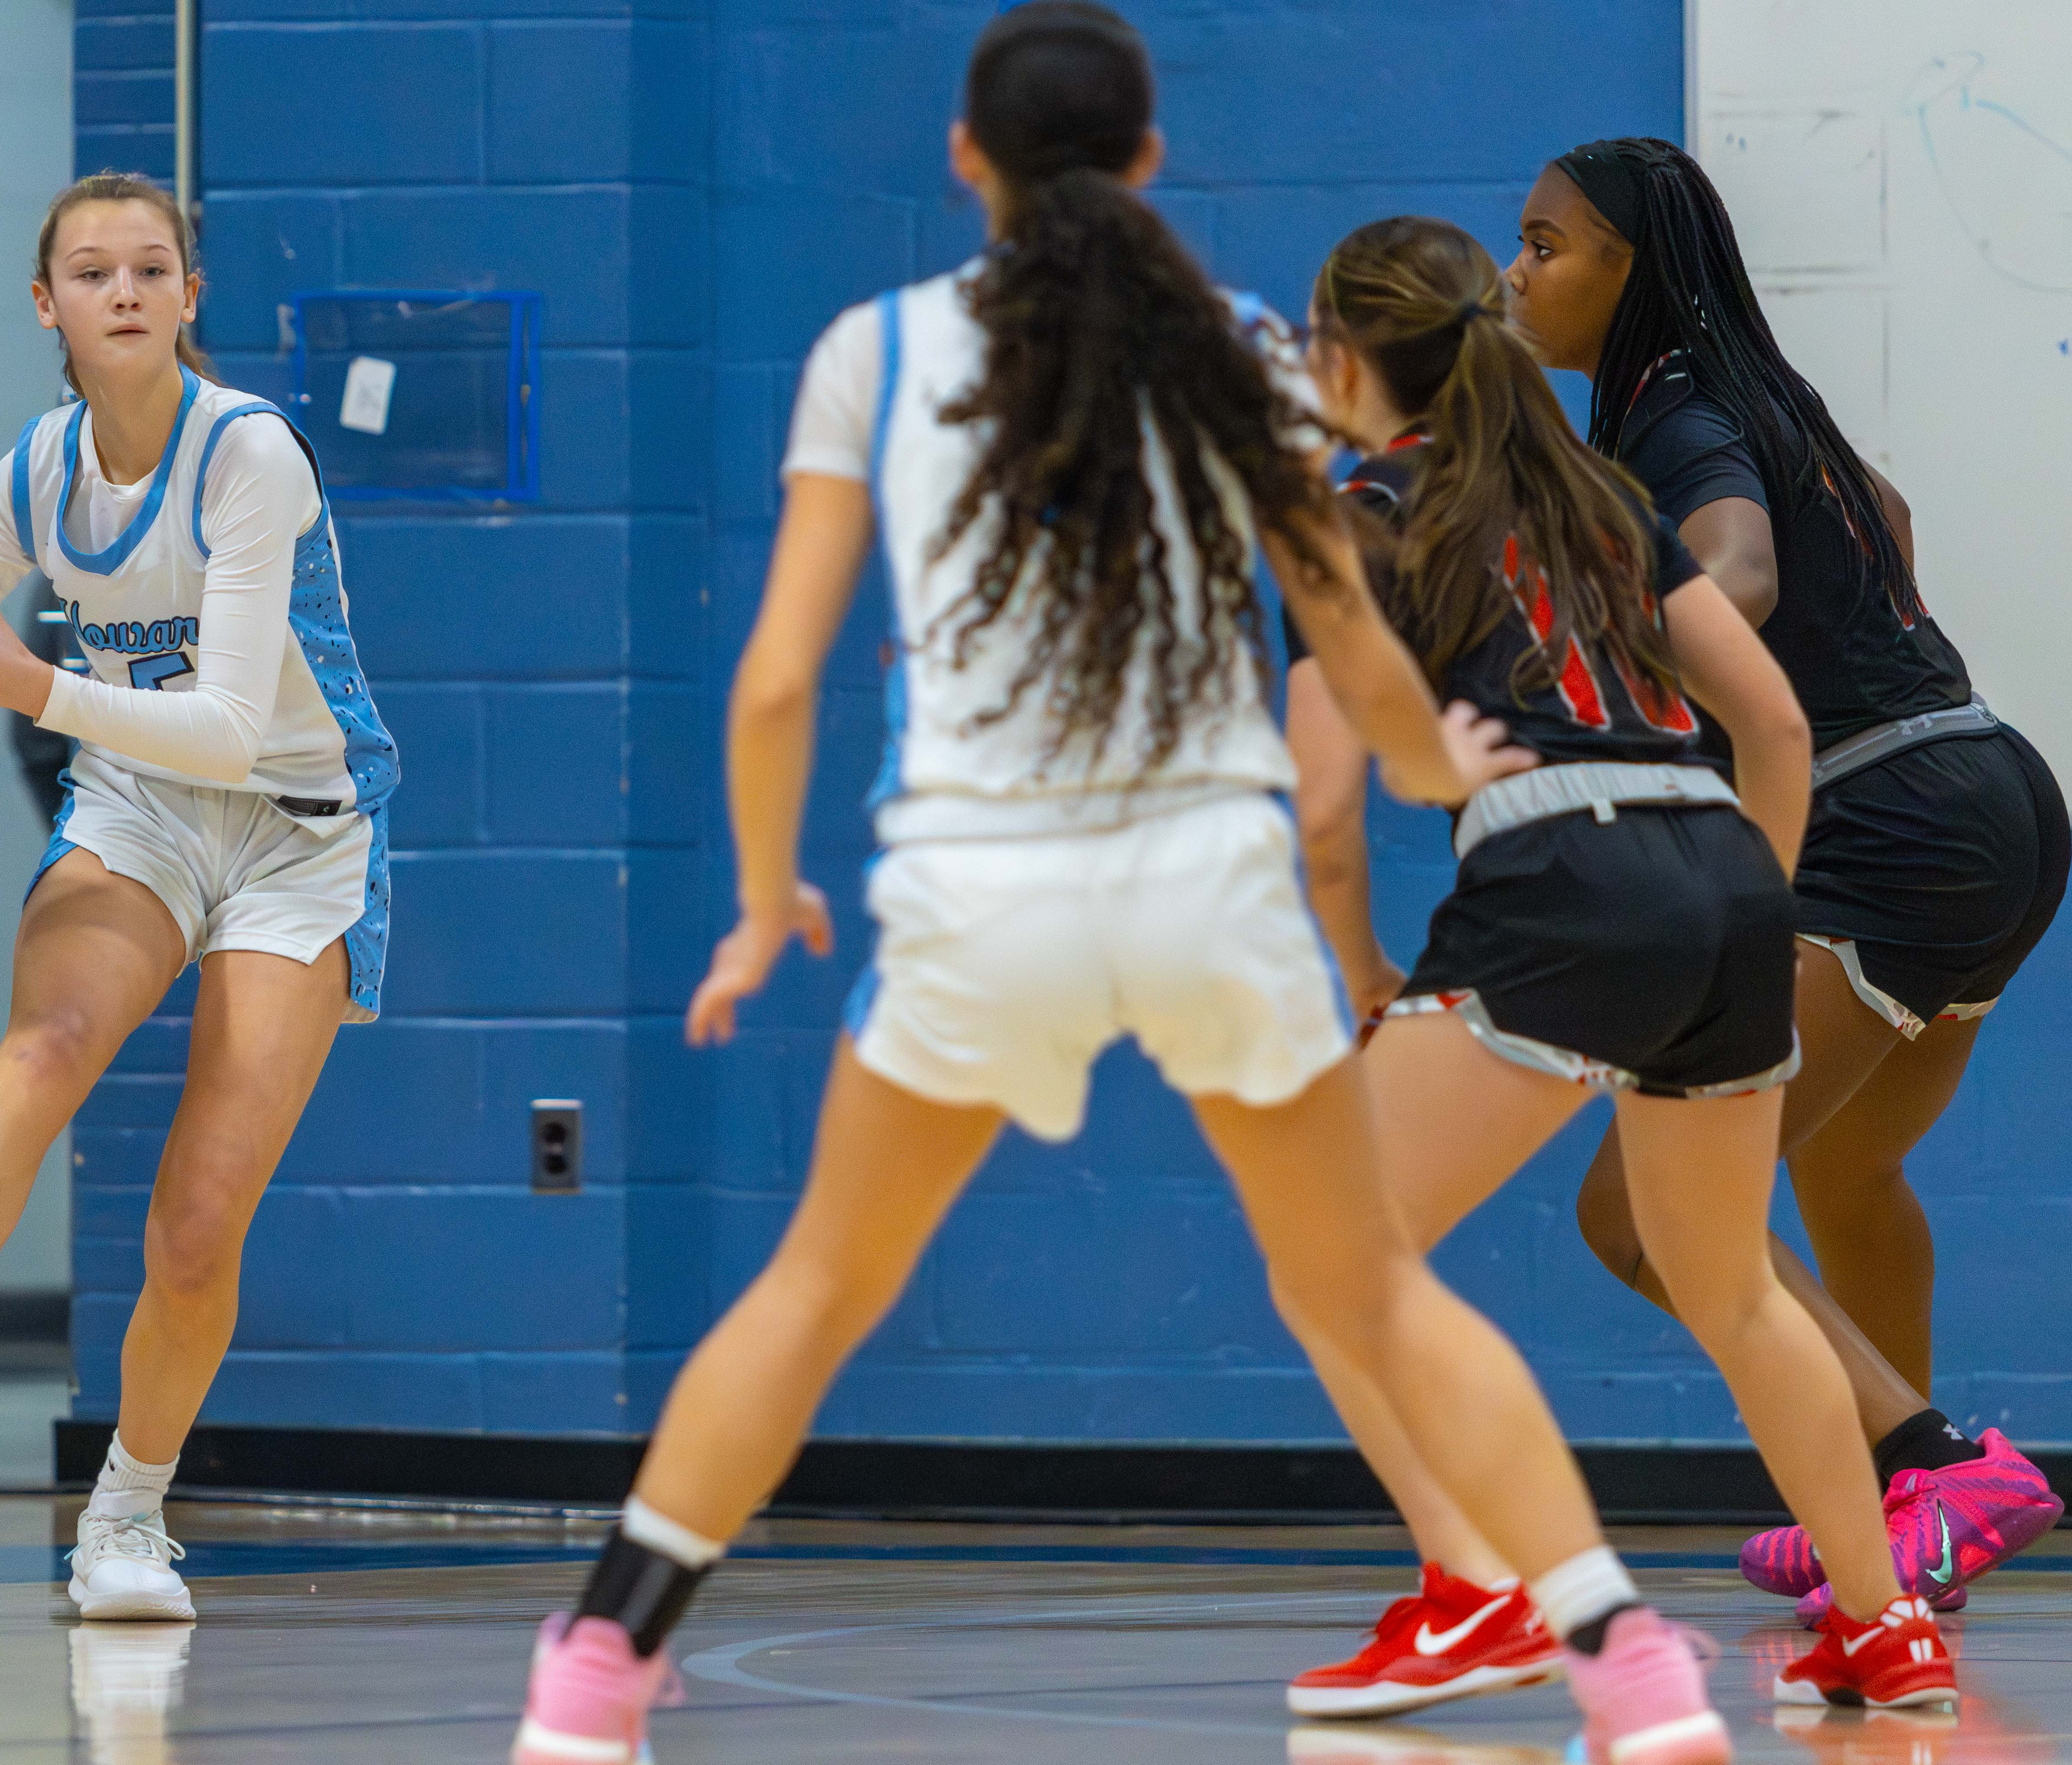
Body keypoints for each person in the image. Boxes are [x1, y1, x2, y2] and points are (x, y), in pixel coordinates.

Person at [515, 12, 1734, 1763]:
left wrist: (764, 895)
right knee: (1375, 1285)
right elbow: (1339, 622)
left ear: (966, 159)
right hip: (1208, 886)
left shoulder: (874, 348)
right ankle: (1631, 1668)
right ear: (1152, 159)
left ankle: (595, 1676)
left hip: (974, 895)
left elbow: (776, 678)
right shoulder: (1245, 346)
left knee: (810, 1292)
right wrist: (1418, 766)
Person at [1279, 215, 1955, 1722]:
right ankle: (1885, 1623)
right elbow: (1774, 726)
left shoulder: (1353, 516)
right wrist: (1747, 912)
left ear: (1344, 357)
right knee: (1732, 1286)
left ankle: (1473, 1593)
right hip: (1719, 868)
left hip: (1559, 870)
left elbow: (1325, 810)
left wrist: (1368, 966)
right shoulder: (1598, 500)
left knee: (1330, 1249)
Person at [0, 170, 396, 1626]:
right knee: (48, 1043)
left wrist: (24, 680)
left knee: (200, 1216)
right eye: (93, 271)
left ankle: (127, 1517)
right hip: (137, 807)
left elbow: (226, 728)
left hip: (294, 830)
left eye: (152, 268)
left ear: (190, 297)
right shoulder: (39, 468)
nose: (124, 291)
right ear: (46, 304)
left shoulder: (250, 454)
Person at [1508, 137, 2066, 1620]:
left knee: (1638, 1212)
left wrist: (1578, 654)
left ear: (1628, 268)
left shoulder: (1672, 416)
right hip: (1993, 791)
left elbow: (1737, 576)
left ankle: (1938, 1465)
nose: (1518, 271)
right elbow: (1885, 514)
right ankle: (1889, 1521)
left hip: (1890, 825)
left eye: (1545, 244)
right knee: (1840, 1163)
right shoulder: (1759, 392)